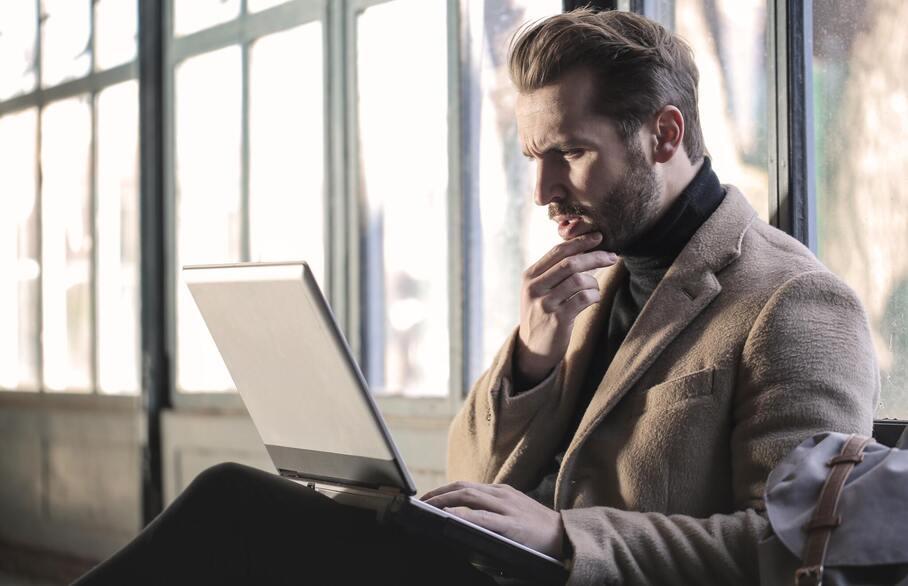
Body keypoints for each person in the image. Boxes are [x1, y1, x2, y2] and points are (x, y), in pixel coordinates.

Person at [74, 8, 878, 586]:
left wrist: (568, 538)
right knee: (238, 506)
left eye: (569, 151)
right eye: (534, 155)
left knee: (238, 518)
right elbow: (469, 474)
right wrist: (531, 357)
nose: (543, 190)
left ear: (665, 137)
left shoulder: (795, 302)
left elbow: (800, 551)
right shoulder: (590, 276)